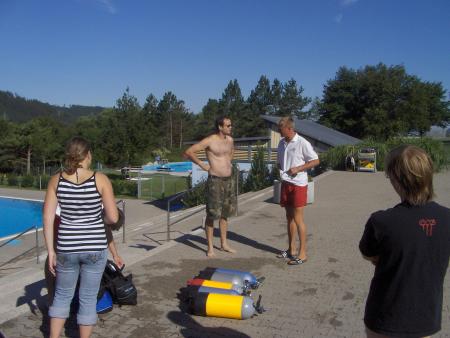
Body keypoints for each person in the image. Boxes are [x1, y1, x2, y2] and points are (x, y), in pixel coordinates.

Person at [359, 145, 450, 338]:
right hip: (425, 317)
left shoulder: (381, 221)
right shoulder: (447, 217)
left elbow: (368, 254)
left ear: (396, 179)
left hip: (385, 316)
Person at [43, 136, 119, 338]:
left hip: (66, 247)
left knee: (61, 296)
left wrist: (51, 251)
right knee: (87, 298)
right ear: (88, 155)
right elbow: (112, 217)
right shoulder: (100, 179)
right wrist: (96, 217)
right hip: (94, 247)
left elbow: (48, 217)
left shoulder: (55, 180)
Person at [183, 116, 236, 257]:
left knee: (225, 214)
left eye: (231, 125)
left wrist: (227, 163)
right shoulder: (210, 140)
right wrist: (202, 164)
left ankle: (224, 244)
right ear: (220, 127)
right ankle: (210, 247)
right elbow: (189, 152)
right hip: (215, 181)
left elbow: (231, 151)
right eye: (228, 125)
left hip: (229, 180)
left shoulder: (230, 140)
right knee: (212, 215)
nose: (231, 127)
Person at [276, 116, 319, 265]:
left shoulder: (302, 143)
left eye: (280, 130)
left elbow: (315, 160)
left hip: (299, 185)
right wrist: (280, 168)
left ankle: (303, 253)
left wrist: (298, 168)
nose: (278, 132)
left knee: (298, 218)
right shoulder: (281, 143)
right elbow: (280, 162)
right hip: (286, 183)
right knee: (289, 217)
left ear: (289, 128)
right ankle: (291, 249)